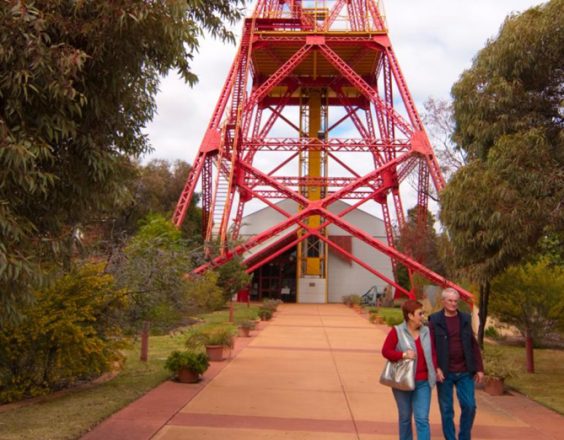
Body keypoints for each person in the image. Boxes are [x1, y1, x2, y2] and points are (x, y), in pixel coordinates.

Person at [429, 288, 484, 440]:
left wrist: (479, 368)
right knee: (446, 409)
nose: (453, 304)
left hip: (465, 371)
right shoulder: (434, 320)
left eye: (456, 301)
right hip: (444, 372)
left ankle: (464, 437)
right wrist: (436, 368)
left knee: (470, 406)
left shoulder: (465, 318)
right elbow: (431, 347)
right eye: (450, 301)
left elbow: (473, 345)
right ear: (443, 302)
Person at [382, 299, 439, 440]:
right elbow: (385, 351)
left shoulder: (426, 331)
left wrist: (436, 369)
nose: (423, 317)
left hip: (423, 382)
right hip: (403, 382)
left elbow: (433, 352)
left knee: (422, 419)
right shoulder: (397, 331)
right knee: (405, 417)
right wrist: (403, 354)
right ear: (410, 316)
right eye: (420, 314)